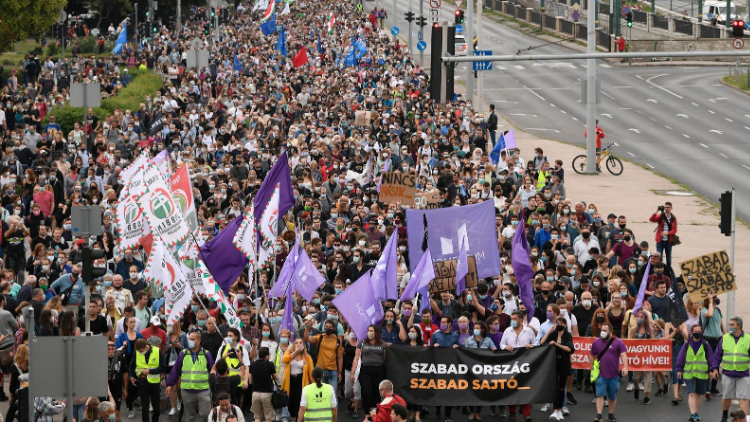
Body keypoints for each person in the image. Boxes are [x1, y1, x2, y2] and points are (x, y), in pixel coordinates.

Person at [166, 330, 215, 422]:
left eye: (192, 339)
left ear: (199, 341)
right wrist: (170, 384)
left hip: (203, 390)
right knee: (189, 417)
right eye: (189, 339)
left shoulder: (206, 354)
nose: (190, 341)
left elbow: (213, 370)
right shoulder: (183, 353)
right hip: (187, 390)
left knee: (206, 415)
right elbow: (175, 370)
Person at [712, 316, 750, 422]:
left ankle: (743, 419)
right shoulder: (725, 338)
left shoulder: (748, 339)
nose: (729, 327)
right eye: (729, 325)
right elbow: (717, 355)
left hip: (743, 374)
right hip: (728, 373)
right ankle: (724, 416)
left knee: (743, 398)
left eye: (732, 325)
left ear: (738, 326)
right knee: (726, 396)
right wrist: (715, 369)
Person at [500, 311, 536, 422]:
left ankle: (527, 414)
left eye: (515, 319)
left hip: (526, 363)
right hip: (511, 364)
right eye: (512, 319)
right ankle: (512, 413)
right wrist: (506, 347)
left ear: (521, 320)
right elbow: (502, 344)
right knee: (512, 388)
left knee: (525, 388)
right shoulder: (507, 331)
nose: (513, 321)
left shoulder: (529, 331)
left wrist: (531, 346)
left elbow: (536, 345)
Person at [677, 323, 716, 422]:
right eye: (695, 332)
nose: (697, 333)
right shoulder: (687, 345)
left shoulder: (705, 344)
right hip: (689, 372)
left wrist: (712, 370)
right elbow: (681, 357)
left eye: (699, 331)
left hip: (701, 373)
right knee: (691, 393)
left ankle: (696, 413)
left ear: (701, 332)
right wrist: (679, 369)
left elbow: (711, 358)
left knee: (698, 394)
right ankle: (692, 413)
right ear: (691, 332)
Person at [591, 322, 628, 422]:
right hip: (600, 375)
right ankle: (599, 415)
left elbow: (623, 355)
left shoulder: (618, 342)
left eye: (605, 331)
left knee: (612, 396)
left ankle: (610, 414)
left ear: (610, 332)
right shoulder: (596, 342)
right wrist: (592, 368)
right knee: (600, 395)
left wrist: (625, 367)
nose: (602, 332)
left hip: (614, 375)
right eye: (601, 330)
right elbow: (592, 355)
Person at [542, 317, 574, 421]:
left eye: (561, 323)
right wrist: (549, 332)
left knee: (561, 388)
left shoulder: (567, 335)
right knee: (555, 387)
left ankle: (560, 409)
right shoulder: (553, 335)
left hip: (564, 364)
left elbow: (569, 349)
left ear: (565, 325)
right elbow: (542, 343)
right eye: (557, 323)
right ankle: (555, 410)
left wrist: (556, 344)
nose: (558, 324)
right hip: (553, 363)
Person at [351, 325, 386, 413]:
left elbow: (385, 358)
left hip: (379, 370)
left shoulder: (382, 343)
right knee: (366, 392)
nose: (369, 332)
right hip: (365, 370)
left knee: (377, 392)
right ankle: (367, 412)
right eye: (368, 330)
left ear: (376, 333)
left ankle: (376, 411)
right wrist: (352, 373)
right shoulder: (362, 342)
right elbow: (356, 358)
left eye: (371, 331)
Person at [130, 338, 166, 422]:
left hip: (155, 383)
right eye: (138, 351)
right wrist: (131, 376)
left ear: (147, 347)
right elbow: (132, 365)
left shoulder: (157, 351)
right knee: (145, 408)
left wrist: (150, 371)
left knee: (157, 408)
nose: (140, 353)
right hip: (142, 382)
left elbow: (163, 367)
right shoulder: (136, 352)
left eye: (142, 351)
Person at [282, 336, 314, 422]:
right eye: (296, 343)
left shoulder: (307, 357)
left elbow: (311, 371)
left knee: (298, 400)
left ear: (303, 345)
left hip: (301, 380)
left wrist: (313, 383)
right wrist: (295, 352)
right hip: (290, 380)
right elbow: (284, 359)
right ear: (293, 344)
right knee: (290, 400)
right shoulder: (289, 352)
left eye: (300, 343)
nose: (299, 344)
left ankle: (296, 419)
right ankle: (293, 415)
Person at [248, 347, 279, 422]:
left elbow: (250, 382)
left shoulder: (252, 365)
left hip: (255, 393)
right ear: (267, 356)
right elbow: (277, 378)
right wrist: (270, 377)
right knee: (268, 417)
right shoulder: (270, 364)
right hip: (267, 393)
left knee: (257, 417)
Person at [648, 202, 677, 268]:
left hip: (668, 242)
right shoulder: (661, 216)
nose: (666, 208)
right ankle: (660, 271)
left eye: (668, 207)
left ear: (671, 208)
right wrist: (656, 211)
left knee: (668, 260)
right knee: (659, 258)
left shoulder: (673, 218)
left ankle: (668, 272)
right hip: (660, 241)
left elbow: (674, 230)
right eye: (665, 207)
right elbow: (651, 219)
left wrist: (667, 233)